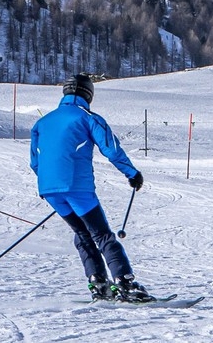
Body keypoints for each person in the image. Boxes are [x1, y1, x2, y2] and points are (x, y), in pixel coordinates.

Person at [30, 73, 153, 302]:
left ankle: (98, 282)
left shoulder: (42, 122)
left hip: (50, 190)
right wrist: (132, 174)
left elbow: (35, 162)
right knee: (103, 235)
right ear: (89, 94)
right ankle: (125, 283)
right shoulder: (88, 117)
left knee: (82, 233)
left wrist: (54, 186)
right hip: (77, 188)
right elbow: (112, 150)